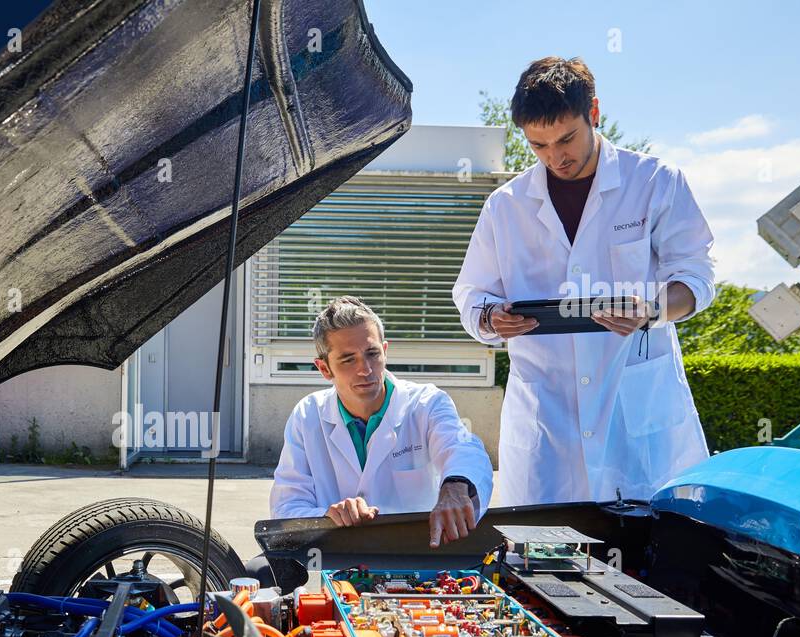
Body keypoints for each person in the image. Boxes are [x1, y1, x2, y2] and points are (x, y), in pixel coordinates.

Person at [453, 56, 714, 506]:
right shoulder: (505, 207)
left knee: (652, 556)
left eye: (567, 139)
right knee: (541, 558)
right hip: (546, 425)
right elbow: (471, 295)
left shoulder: (654, 181)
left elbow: (696, 279)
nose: (556, 157)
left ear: (594, 113)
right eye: (538, 145)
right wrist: (492, 318)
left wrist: (652, 308)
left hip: (637, 418)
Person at [269, 296, 493, 547]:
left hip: (417, 555)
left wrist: (456, 486)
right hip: (337, 558)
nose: (365, 369)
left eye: (372, 353)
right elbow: (286, 508)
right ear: (324, 369)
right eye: (348, 359)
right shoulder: (307, 416)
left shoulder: (427, 403)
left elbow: (464, 449)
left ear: (385, 351)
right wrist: (327, 516)